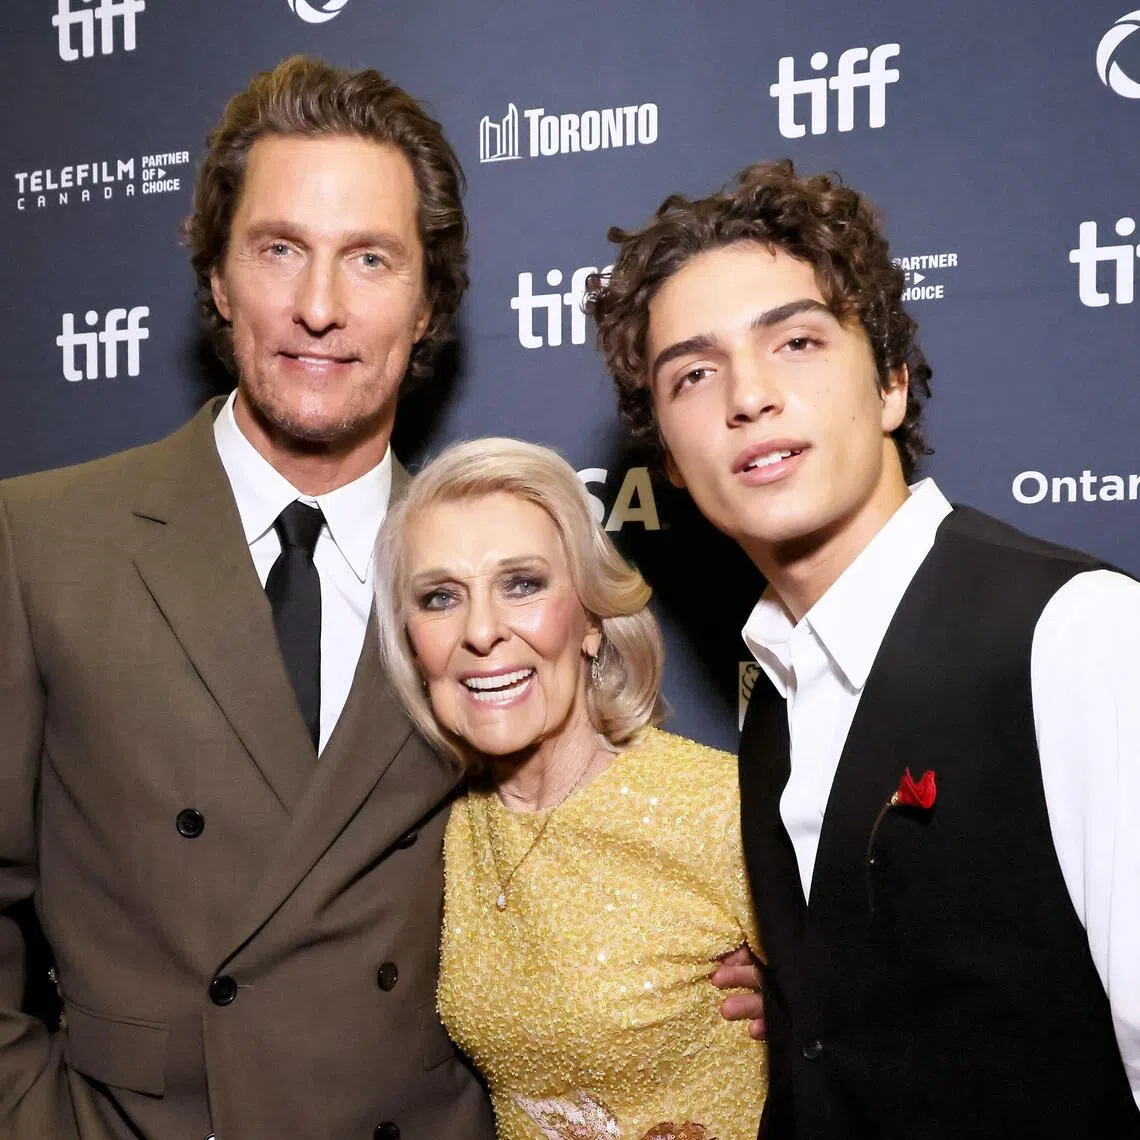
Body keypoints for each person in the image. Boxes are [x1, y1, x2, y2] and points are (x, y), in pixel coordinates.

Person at [586, 160, 1140, 1139]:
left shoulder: (1079, 635)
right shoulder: (776, 698)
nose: (747, 397)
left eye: (796, 341)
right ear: (671, 459)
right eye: (694, 373)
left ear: (889, 381)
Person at [0, 56, 496, 1140]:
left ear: (428, 304)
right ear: (219, 280)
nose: (319, 308)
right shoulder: (39, 542)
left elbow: (585, 850)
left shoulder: (496, 574)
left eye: (370, 259)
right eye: (280, 251)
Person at [372, 437, 768, 1140]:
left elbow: (881, 1039)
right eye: (440, 597)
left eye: (522, 584)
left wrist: (800, 1007)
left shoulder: (719, 809)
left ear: (590, 618)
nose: (483, 631)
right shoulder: (445, 824)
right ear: (412, 644)